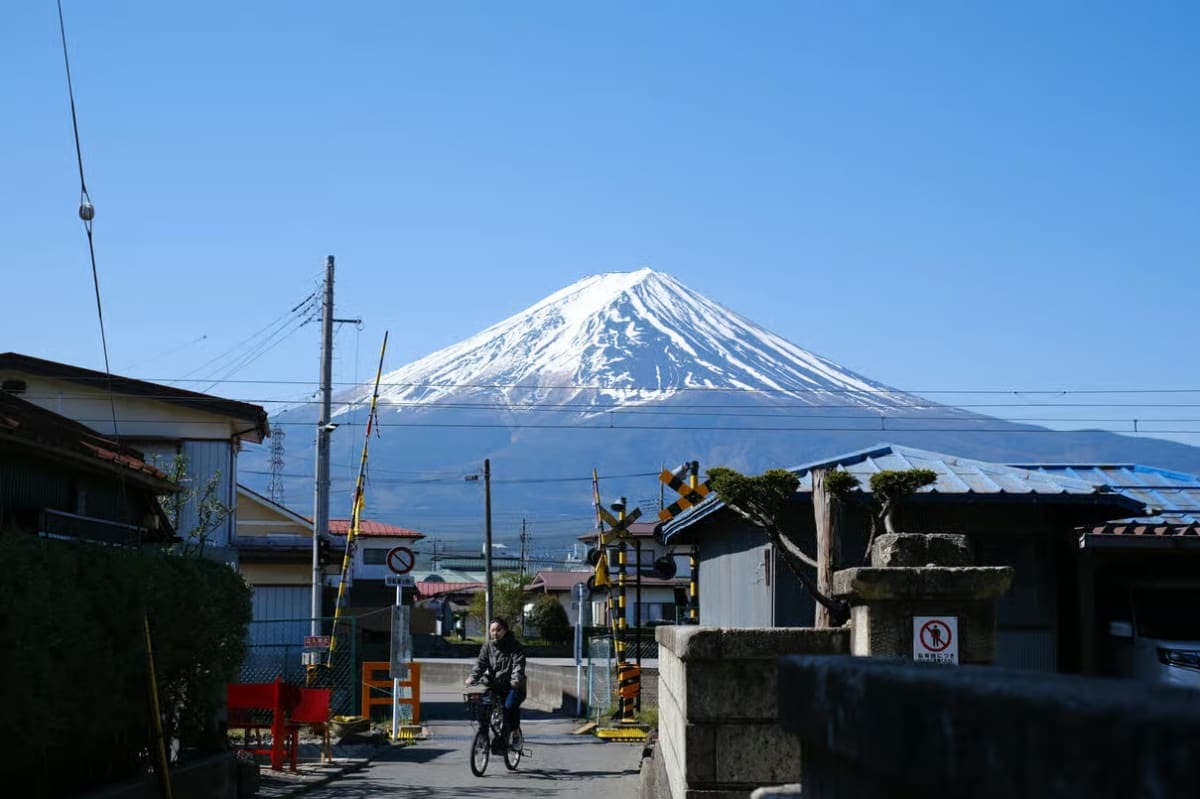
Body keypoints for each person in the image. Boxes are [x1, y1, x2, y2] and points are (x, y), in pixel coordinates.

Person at [464, 616, 526, 751]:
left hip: (513, 686)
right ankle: (483, 735)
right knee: (483, 706)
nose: (495, 633)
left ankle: (515, 734)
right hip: (494, 685)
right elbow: (480, 664)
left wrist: (515, 680)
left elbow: (518, 665)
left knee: (509, 707)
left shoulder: (515, 646)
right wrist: (472, 677)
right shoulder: (487, 647)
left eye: (498, 630)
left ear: (505, 630)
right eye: (492, 630)